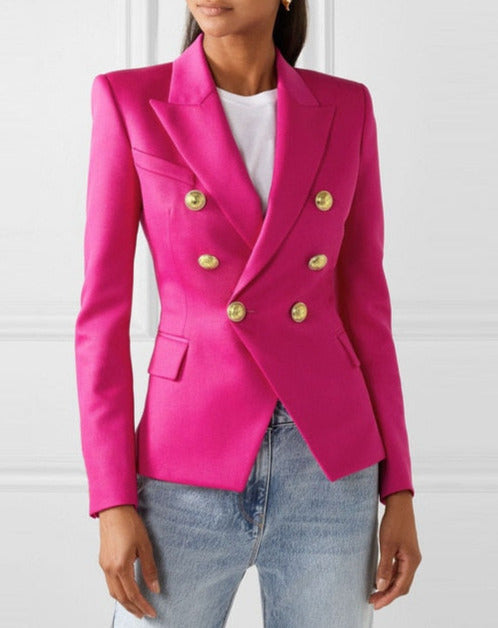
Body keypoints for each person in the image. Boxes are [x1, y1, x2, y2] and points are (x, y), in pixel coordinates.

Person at [74, 1, 422, 626]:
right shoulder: (130, 100)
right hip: (185, 460)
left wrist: (398, 487)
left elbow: (367, 307)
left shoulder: (346, 107)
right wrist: (112, 499)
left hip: (328, 469)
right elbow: (101, 316)